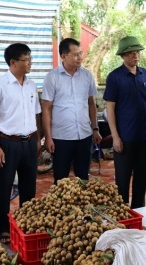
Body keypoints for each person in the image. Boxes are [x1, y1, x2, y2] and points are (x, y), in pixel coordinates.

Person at [0, 43, 41, 243]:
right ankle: (2, 226)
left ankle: (26, 221)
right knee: (2, 186)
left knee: (29, 186)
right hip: (7, 143)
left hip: (29, 142)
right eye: (26, 60)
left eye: (30, 59)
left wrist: (38, 139)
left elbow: (36, 114)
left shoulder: (32, 85)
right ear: (13, 62)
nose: (29, 63)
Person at [41, 38, 102, 183]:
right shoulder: (52, 77)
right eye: (75, 54)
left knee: (83, 178)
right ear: (63, 56)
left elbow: (91, 104)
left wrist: (95, 128)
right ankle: (61, 206)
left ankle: (82, 206)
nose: (79, 57)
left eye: (80, 53)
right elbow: (46, 108)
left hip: (84, 135)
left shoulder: (87, 75)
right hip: (62, 138)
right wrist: (48, 137)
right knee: (61, 179)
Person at [103, 36, 146, 208]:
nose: (135, 56)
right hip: (124, 138)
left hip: (143, 137)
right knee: (123, 181)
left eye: (137, 52)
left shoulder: (145, 74)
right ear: (123, 55)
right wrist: (115, 137)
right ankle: (123, 215)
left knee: (141, 180)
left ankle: (139, 213)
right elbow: (110, 109)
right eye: (131, 53)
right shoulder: (114, 77)